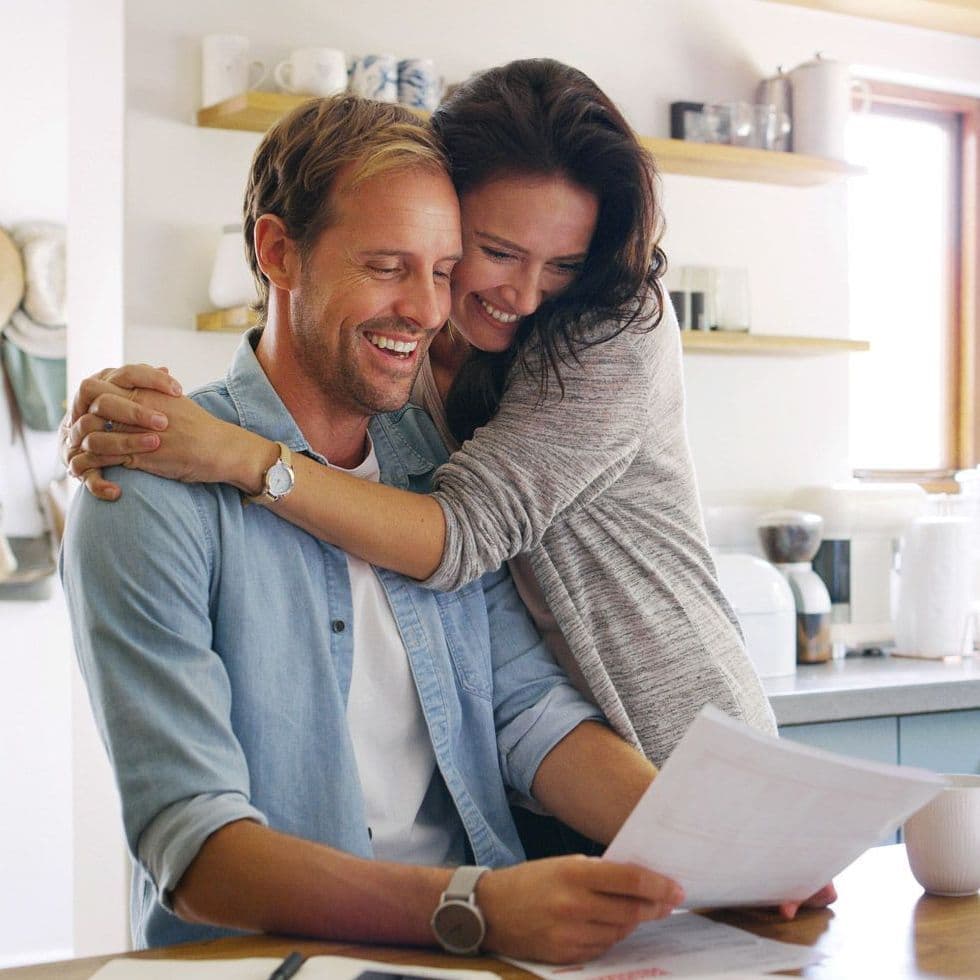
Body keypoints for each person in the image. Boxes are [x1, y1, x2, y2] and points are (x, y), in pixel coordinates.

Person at [61, 95, 687, 960]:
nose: (427, 309)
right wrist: (476, 907)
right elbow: (194, 845)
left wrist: (715, 852)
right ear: (278, 252)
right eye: (388, 266)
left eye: (443, 269)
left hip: (472, 952)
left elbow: (526, 710)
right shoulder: (148, 490)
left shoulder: (433, 469)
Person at [66, 59, 776, 770]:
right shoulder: (416, 353)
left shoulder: (612, 332)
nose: (528, 295)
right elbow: (306, 339)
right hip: (536, 772)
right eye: (496, 252)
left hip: (680, 743)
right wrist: (129, 407)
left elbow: (462, 533)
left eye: (563, 263)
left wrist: (239, 455)